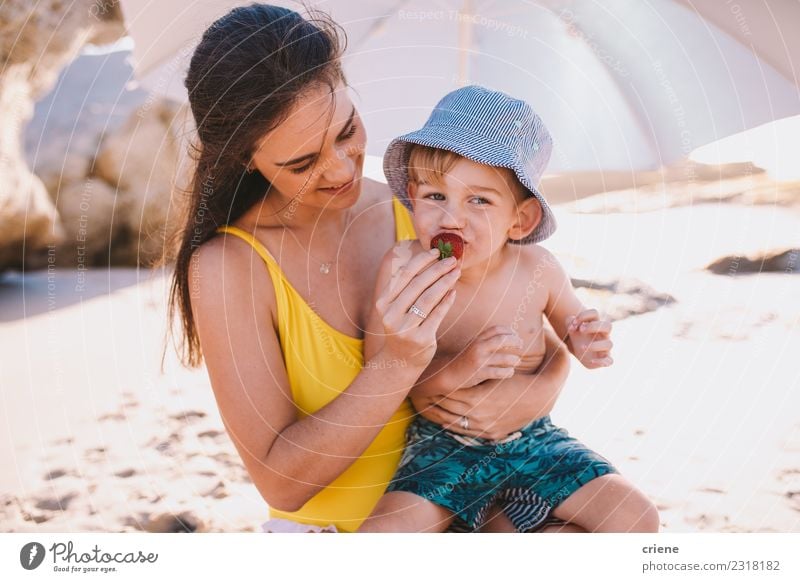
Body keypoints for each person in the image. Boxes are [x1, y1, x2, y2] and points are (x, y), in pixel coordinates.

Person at [164, 5, 571, 533]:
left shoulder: (425, 213)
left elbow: (529, 316)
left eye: (346, 130)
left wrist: (541, 388)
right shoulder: (228, 269)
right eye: (302, 163)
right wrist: (396, 364)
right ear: (245, 159)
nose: (340, 168)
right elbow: (280, 482)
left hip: (465, 511)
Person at [358, 86, 659, 533]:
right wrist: (462, 367)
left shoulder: (538, 268)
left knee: (638, 518)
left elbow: (576, 333)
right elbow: (384, 376)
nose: (452, 218)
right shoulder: (403, 268)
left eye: (479, 200)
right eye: (436, 197)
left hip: (534, 439)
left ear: (520, 220)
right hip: (441, 446)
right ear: (414, 195)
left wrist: (589, 340)